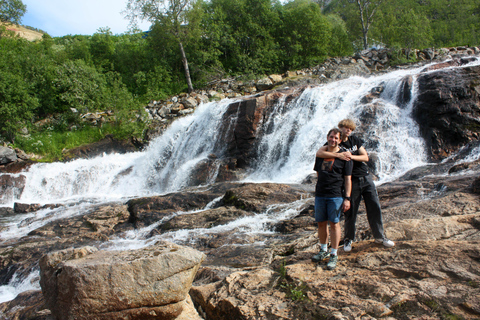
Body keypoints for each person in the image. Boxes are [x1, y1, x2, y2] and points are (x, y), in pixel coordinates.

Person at [316, 119, 394, 252]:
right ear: (340, 128)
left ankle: (380, 236)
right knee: (350, 211)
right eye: (345, 128)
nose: (348, 130)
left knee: (374, 206)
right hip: (351, 179)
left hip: (366, 177)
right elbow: (320, 153)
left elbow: (365, 157)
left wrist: (350, 156)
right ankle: (348, 239)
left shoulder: (355, 140)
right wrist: (339, 155)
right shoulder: (335, 141)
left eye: (350, 129)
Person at [311, 128, 352, 270]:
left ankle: (334, 254)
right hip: (321, 194)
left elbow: (348, 179)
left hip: (336, 195)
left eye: (336, 138)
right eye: (331, 137)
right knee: (321, 223)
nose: (333, 140)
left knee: (334, 224)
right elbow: (318, 173)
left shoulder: (345, 157)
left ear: (340, 140)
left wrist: (347, 198)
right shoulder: (321, 155)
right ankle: (323, 250)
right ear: (327, 137)